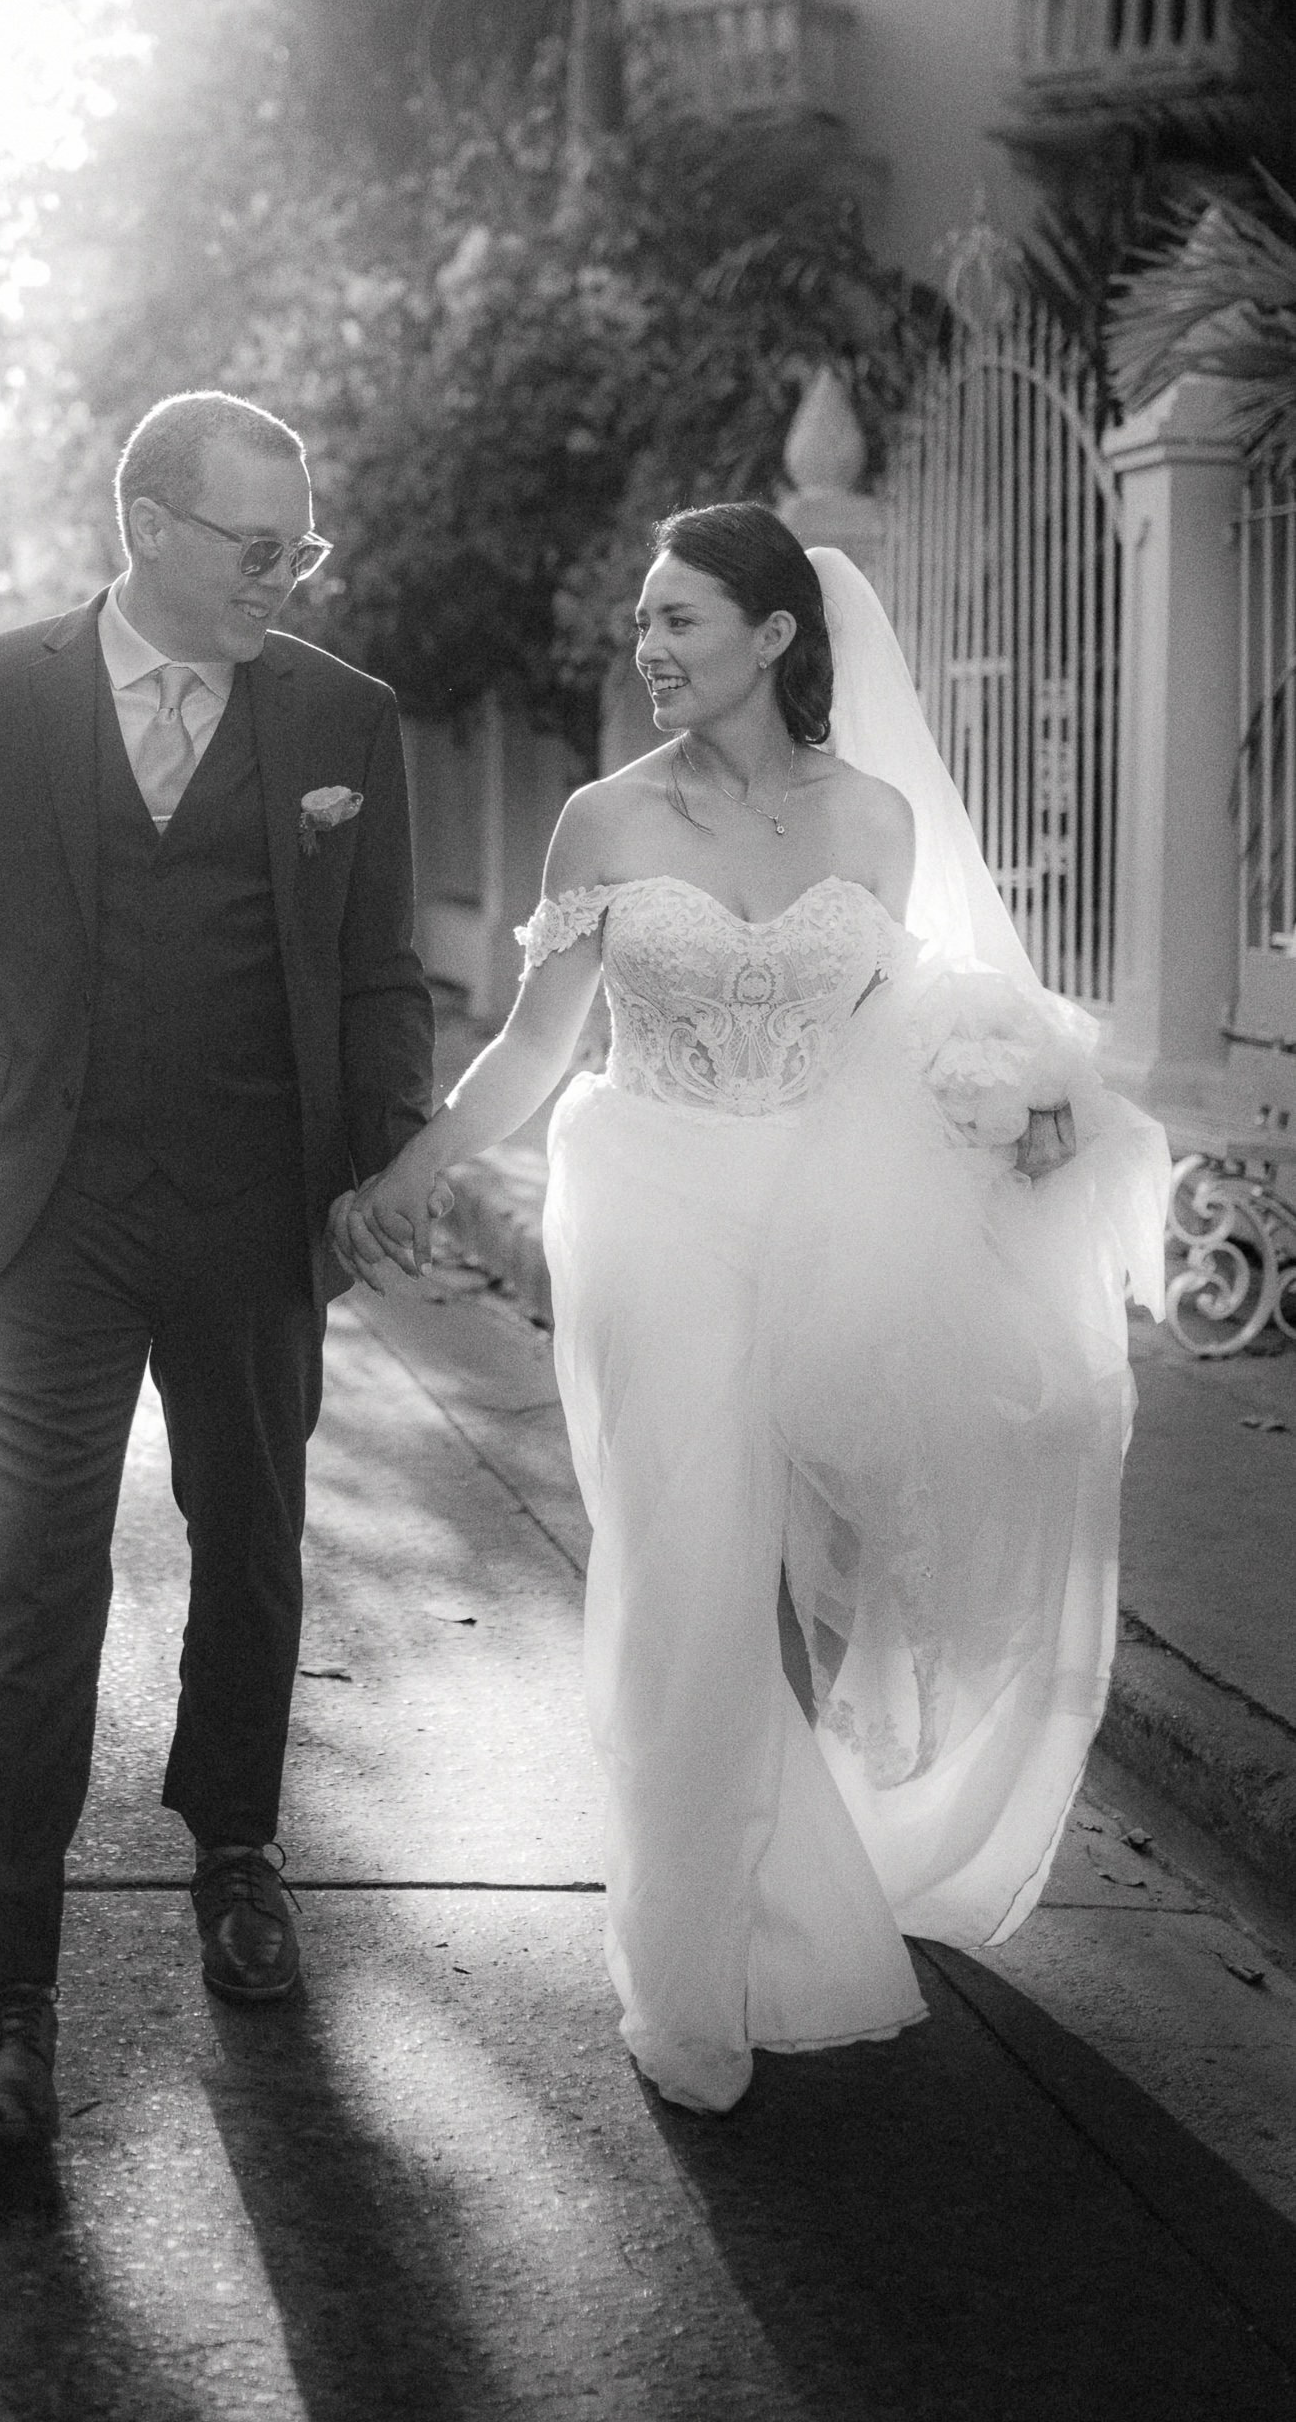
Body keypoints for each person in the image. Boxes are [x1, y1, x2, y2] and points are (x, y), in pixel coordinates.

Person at [342, 503, 1169, 2117]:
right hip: (647, 1206)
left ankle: (797, 1863)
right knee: (692, 1561)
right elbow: (537, 1040)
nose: (647, 648)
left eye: (679, 620)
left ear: (774, 634)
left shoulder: (871, 819)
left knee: (811, 1564)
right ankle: (695, 1957)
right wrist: (420, 1165)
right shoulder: (600, 818)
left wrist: (1007, 1109)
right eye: (642, 622)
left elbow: (890, 1029)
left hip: (818, 1210)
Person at [0, 390, 433, 2150]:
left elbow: (378, 976)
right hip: (45, 1211)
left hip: (256, 1211)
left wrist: (387, 1156)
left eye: (300, 552)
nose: (283, 579)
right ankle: (8, 1996)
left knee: (249, 1544)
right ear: (151, 529)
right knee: (37, 1579)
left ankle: (235, 1848)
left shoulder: (340, 713)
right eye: (257, 548)